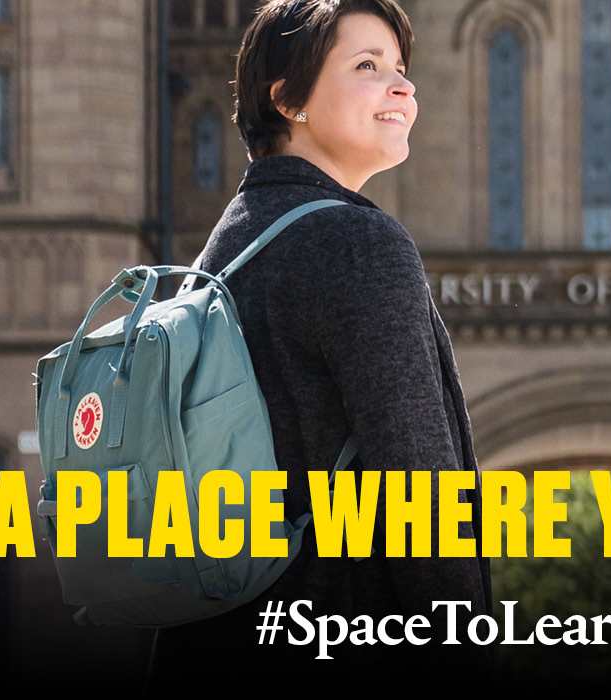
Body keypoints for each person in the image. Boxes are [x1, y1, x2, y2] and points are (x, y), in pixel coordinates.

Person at [146, 0, 493, 685]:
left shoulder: (220, 253)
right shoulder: (357, 242)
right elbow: (420, 493)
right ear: (287, 98)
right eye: (368, 66)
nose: (403, 88)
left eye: (401, 68)